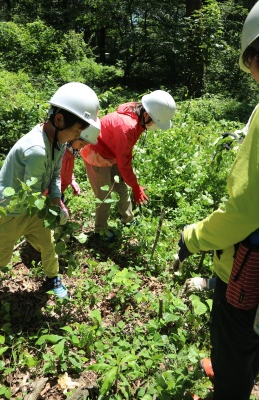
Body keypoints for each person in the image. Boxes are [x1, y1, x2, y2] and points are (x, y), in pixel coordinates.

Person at [178, 3, 259, 399]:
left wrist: (191, 237)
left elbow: (245, 208)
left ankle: (229, 383)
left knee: (233, 333)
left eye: (252, 64)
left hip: (249, 265)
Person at [0, 82, 101, 309]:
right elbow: (33, 192)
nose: (77, 136)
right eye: (77, 131)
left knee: (48, 244)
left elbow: (55, 174)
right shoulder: (37, 150)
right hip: (10, 209)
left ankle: (52, 278)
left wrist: (57, 199)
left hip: (34, 207)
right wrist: (52, 205)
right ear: (59, 120)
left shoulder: (58, 143)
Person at [81, 90, 176, 241]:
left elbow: (124, 157)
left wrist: (134, 185)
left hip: (112, 152)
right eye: (155, 123)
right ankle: (100, 230)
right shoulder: (128, 126)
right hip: (96, 153)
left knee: (121, 188)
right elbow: (124, 164)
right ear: (146, 115)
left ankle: (128, 219)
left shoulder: (137, 117)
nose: (154, 127)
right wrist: (136, 187)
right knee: (104, 196)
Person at [60, 123, 100, 203]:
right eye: (81, 144)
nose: (82, 147)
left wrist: (72, 180)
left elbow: (67, 169)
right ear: (74, 137)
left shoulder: (71, 152)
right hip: (52, 193)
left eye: (85, 145)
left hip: (60, 191)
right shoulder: (61, 153)